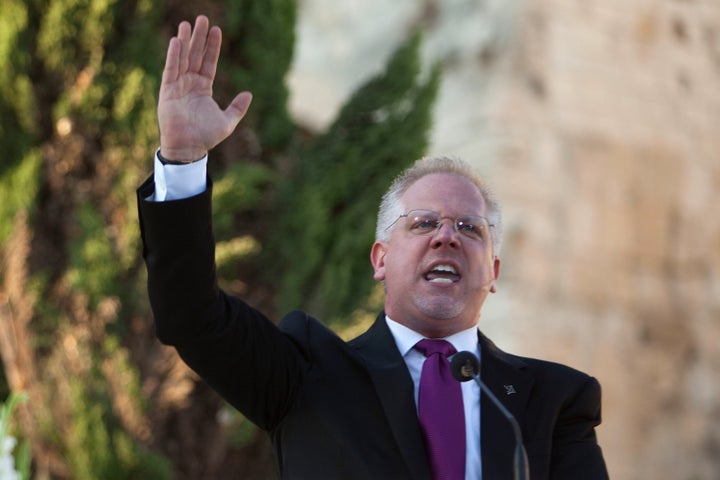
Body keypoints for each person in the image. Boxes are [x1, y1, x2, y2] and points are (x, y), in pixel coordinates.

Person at [137, 15, 609, 480]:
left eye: (470, 228)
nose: (447, 236)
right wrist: (182, 161)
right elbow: (190, 316)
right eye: (423, 223)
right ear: (380, 259)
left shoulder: (555, 399)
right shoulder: (306, 377)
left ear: (494, 272)